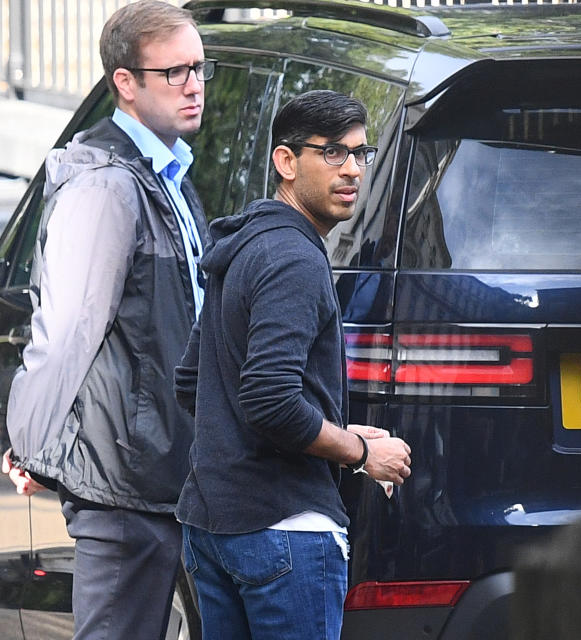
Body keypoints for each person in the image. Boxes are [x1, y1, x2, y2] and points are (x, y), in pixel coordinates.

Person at [2, 1, 212, 637]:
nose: (195, 85)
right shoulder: (106, 184)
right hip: (122, 474)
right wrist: (31, 447)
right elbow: (66, 331)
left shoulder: (166, 171)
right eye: (175, 72)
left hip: (166, 467)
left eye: (200, 67)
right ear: (126, 83)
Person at [174, 89, 412, 640]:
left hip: (212, 527)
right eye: (332, 153)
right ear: (286, 162)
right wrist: (359, 453)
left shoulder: (245, 246)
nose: (352, 169)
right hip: (286, 533)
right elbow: (268, 399)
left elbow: (196, 381)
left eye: (360, 153)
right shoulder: (294, 259)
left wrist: (324, 428)